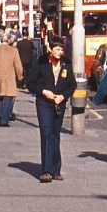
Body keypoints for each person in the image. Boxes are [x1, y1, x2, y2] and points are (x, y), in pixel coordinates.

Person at [26, 38, 76, 182]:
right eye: (57, 49)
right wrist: (43, 91)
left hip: (59, 103)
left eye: (62, 50)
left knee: (55, 134)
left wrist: (63, 96)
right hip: (44, 102)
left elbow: (72, 85)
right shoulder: (40, 62)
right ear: (50, 49)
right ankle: (47, 171)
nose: (60, 52)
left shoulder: (67, 63)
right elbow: (30, 83)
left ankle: (56, 170)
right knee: (46, 133)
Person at [0, 29, 24, 127]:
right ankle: (4, 119)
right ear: (8, 40)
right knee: (8, 97)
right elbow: (18, 66)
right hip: (10, 77)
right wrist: (20, 76)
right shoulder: (13, 51)